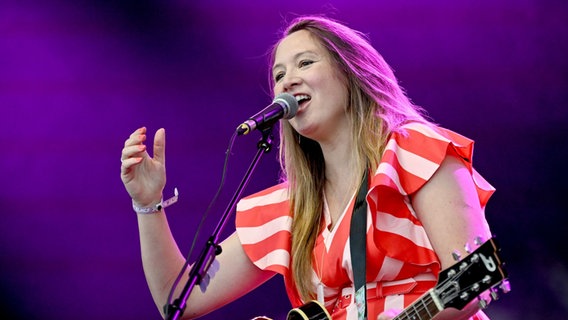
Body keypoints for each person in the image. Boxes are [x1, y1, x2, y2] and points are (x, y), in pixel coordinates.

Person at [120, 15, 496, 320]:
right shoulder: (292, 208)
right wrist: (147, 204)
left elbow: (474, 282)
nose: (288, 80)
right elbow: (180, 302)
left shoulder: (415, 153)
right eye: (279, 75)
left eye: (305, 62)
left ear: (350, 73)